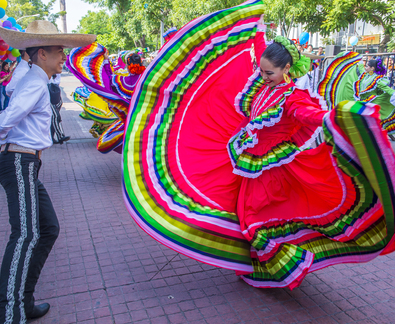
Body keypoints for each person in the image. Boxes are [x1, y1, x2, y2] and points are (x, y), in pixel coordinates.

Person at [120, 2, 395, 291]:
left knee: (253, 221)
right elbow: (260, 47)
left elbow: (308, 116)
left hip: (272, 169)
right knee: (245, 215)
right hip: (253, 164)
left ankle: (282, 265)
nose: (262, 77)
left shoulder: (294, 97)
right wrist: (254, 22)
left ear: (286, 69)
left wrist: (332, 117)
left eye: (269, 73)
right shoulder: (265, 84)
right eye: (261, 71)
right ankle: (265, 266)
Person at [0, 20, 95, 323]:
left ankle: (24, 301)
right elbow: (13, 113)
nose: (63, 56)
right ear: (41, 54)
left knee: (47, 229)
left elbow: (12, 109)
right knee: (26, 235)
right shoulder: (35, 82)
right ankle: (10, 313)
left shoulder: (34, 79)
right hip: (19, 162)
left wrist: (0, 125)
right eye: (59, 51)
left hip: (25, 163)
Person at [67, 46, 146, 153]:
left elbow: (108, 78)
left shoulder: (121, 81)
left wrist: (105, 61)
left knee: (112, 141)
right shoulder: (149, 80)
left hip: (129, 118)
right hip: (147, 117)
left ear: (127, 65)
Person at [48, 73, 70, 144]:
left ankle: (52, 136)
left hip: (54, 90)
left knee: (56, 116)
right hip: (49, 91)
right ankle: (60, 136)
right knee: (55, 115)